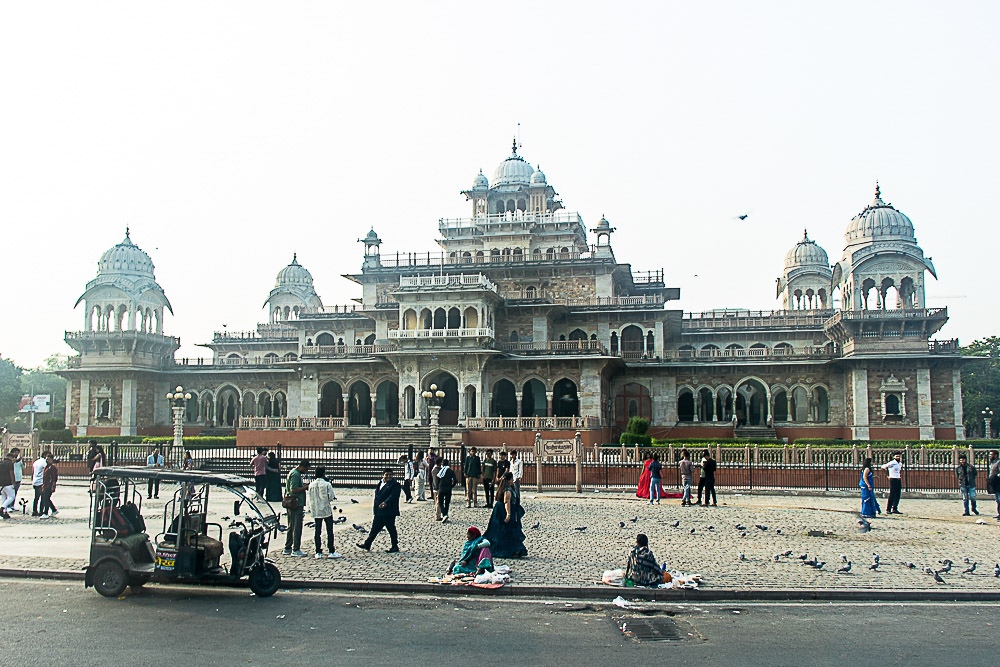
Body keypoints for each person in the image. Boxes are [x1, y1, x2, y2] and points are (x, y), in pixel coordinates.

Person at [357, 468, 402, 553]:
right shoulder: (380, 483)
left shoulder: (395, 484)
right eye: (386, 475)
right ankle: (367, 544)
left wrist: (386, 503)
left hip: (389, 512)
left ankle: (394, 546)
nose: (388, 476)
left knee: (391, 529)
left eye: (390, 475)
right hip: (379, 511)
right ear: (383, 475)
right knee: (374, 529)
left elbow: (393, 496)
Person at [483, 472, 527, 558]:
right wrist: (508, 514)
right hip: (504, 511)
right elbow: (507, 502)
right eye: (511, 479)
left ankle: (512, 549)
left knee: (504, 529)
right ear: (509, 480)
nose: (512, 481)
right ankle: (507, 549)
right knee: (506, 530)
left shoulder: (506, 488)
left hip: (501, 510)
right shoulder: (508, 490)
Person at [308, 466, 341, 559]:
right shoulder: (327, 484)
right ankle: (331, 550)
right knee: (329, 531)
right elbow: (331, 497)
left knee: (317, 531)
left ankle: (318, 551)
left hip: (316, 509)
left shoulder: (311, 485)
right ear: (323, 474)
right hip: (326, 509)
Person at [282, 459, 310, 556]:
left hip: (293, 502)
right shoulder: (296, 474)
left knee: (291, 525)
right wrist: (305, 487)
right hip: (295, 503)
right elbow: (293, 489)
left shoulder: (294, 473)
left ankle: (288, 547)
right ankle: (295, 548)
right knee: (296, 526)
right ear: (302, 467)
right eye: (306, 469)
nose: (306, 472)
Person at [436, 458, 457, 522]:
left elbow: (437, 480)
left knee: (440, 502)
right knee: (447, 503)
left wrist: (438, 486)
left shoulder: (441, 471)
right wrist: (451, 486)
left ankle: (444, 514)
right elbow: (455, 480)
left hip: (441, 488)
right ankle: (446, 514)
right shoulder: (451, 471)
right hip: (448, 488)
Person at [39, 453, 59, 518]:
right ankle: (54, 510)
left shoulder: (52, 468)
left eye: (49, 459)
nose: (47, 460)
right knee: (46, 499)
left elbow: (54, 478)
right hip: (45, 485)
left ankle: (45, 513)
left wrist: (53, 486)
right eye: (47, 459)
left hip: (49, 485)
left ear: (52, 460)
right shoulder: (46, 467)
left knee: (46, 499)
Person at [0, 449, 16, 519]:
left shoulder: (1, 463)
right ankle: (2, 508)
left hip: (1, 483)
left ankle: (4, 512)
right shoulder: (10, 464)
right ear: (11, 458)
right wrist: (14, 482)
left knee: (4, 497)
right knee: (11, 497)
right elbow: (11, 473)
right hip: (8, 483)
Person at [31, 452, 48, 516]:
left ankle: (34, 510)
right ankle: (41, 511)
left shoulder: (36, 462)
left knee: (36, 497)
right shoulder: (44, 462)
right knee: (43, 497)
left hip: (35, 481)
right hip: (41, 481)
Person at [986, 450, 1000, 520]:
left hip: (998, 482)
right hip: (994, 483)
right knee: (997, 499)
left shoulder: (999, 462)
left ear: (996, 455)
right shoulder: (992, 462)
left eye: (991, 454)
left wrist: (996, 476)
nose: (990, 456)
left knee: (999, 499)